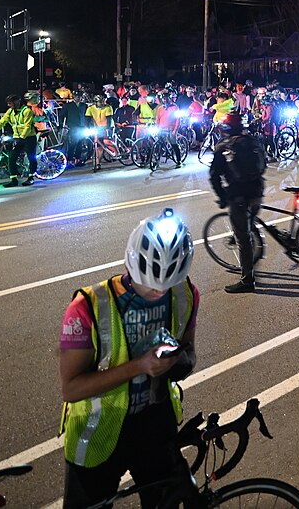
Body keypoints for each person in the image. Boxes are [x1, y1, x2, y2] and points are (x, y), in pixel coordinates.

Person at [59, 209, 198, 509]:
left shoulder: (185, 293)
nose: (158, 291)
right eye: (149, 282)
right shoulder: (87, 306)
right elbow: (71, 389)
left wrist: (175, 362)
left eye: (167, 283)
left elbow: (189, 353)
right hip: (97, 431)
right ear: (129, 263)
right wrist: (139, 366)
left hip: (156, 426)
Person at [208, 111, 267, 293]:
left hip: (239, 195)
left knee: (243, 237)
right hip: (257, 190)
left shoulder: (224, 147)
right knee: (249, 221)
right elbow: (263, 165)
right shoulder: (252, 141)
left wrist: (222, 197)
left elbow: (214, 176)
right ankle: (256, 248)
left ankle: (247, 280)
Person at [0, 94, 39, 186]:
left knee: (31, 157)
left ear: (17, 102)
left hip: (29, 137)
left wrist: (22, 137)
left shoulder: (27, 111)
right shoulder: (10, 112)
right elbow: (3, 121)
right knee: (12, 157)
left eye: (10, 103)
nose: (9, 105)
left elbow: (27, 126)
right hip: (17, 137)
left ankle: (31, 177)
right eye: (8, 103)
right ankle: (13, 179)